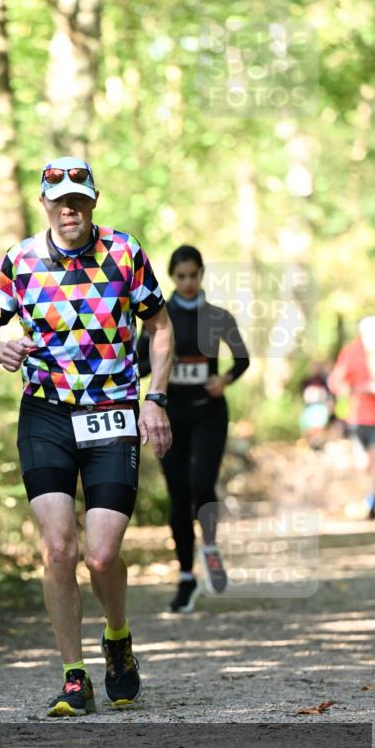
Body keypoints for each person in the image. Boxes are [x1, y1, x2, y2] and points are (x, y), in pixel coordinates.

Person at [0, 156, 173, 717]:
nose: (69, 209)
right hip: (47, 414)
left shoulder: (125, 253)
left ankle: (118, 638)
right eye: (59, 201)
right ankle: (73, 675)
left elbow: (159, 326)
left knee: (103, 556)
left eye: (78, 199)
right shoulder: (21, 260)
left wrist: (155, 398)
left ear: (93, 201)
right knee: (59, 547)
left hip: (112, 412)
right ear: (44, 204)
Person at [139, 245, 250, 613]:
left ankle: (211, 546)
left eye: (193, 275)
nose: (187, 282)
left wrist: (226, 378)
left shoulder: (217, 316)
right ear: (173, 277)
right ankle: (186, 577)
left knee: (202, 484)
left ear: (202, 274)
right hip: (170, 416)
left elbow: (242, 358)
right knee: (178, 494)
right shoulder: (158, 317)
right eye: (181, 276)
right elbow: (141, 363)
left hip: (209, 414)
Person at [327, 316, 375, 520]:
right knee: (365, 465)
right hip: (359, 418)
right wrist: (357, 388)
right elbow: (336, 382)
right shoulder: (351, 352)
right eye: (368, 332)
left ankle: (373, 502)